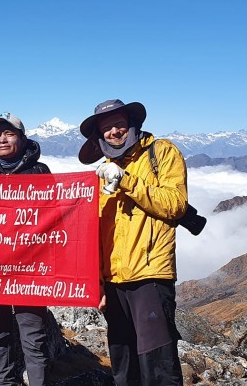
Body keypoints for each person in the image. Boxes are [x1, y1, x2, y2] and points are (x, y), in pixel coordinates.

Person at [78, 99, 186, 386]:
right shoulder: (105, 169)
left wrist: (127, 181)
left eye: (119, 124)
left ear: (132, 124)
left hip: (149, 275)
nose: (114, 131)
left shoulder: (161, 153)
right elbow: (97, 230)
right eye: (106, 128)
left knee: (157, 366)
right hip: (113, 281)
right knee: (124, 366)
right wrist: (96, 281)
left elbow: (175, 204)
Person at [0, 112, 52, 386]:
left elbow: (58, 216)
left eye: (9, 134)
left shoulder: (40, 172)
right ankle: (4, 382)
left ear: (22, 139)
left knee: (33, 338)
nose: (2, 139)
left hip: (31, 269)